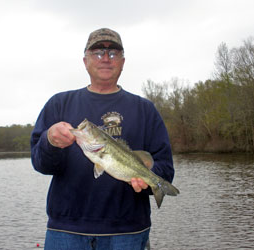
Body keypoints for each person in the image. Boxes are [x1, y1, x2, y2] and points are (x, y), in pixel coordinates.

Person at [30, 28, 175, 250]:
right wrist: (50, 141)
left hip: (128, 232)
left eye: (113, 53)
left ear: (123, 61)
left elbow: (165, 168)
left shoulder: (145, 110)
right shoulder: (59, 104)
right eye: (97, 52)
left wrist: (147, 181)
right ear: (85, 60)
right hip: (66, 231)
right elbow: (40, 164)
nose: (105, 58)